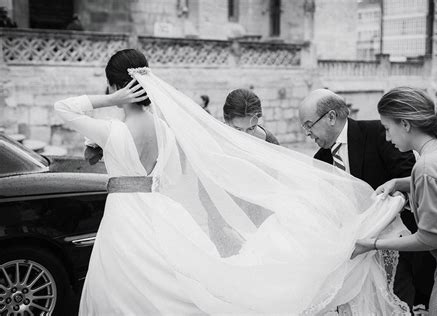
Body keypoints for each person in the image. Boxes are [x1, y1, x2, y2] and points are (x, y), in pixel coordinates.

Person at [55, 49, 409, 315]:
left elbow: (64, 108)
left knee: (124, 286)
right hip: (155, 210)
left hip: (124, 218)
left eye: (112, 87)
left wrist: (110, 102)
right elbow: (171, 175)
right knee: (169, 285)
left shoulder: (112, 130)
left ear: (117, 85)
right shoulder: (163, 128)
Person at [298, 88, 436, 312]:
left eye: (308, 124)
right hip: (354, 255)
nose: (307, 134)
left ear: (331, 117)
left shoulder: (378, 133)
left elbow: (412, 178)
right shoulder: (320, 159)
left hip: (397, 250)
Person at [352, 87, 437, 316]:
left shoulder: (426, 167)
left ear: (405, 124)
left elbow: (428, 238)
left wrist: (373, 243)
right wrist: (399, 182)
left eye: (387, 129)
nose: (387, 138)